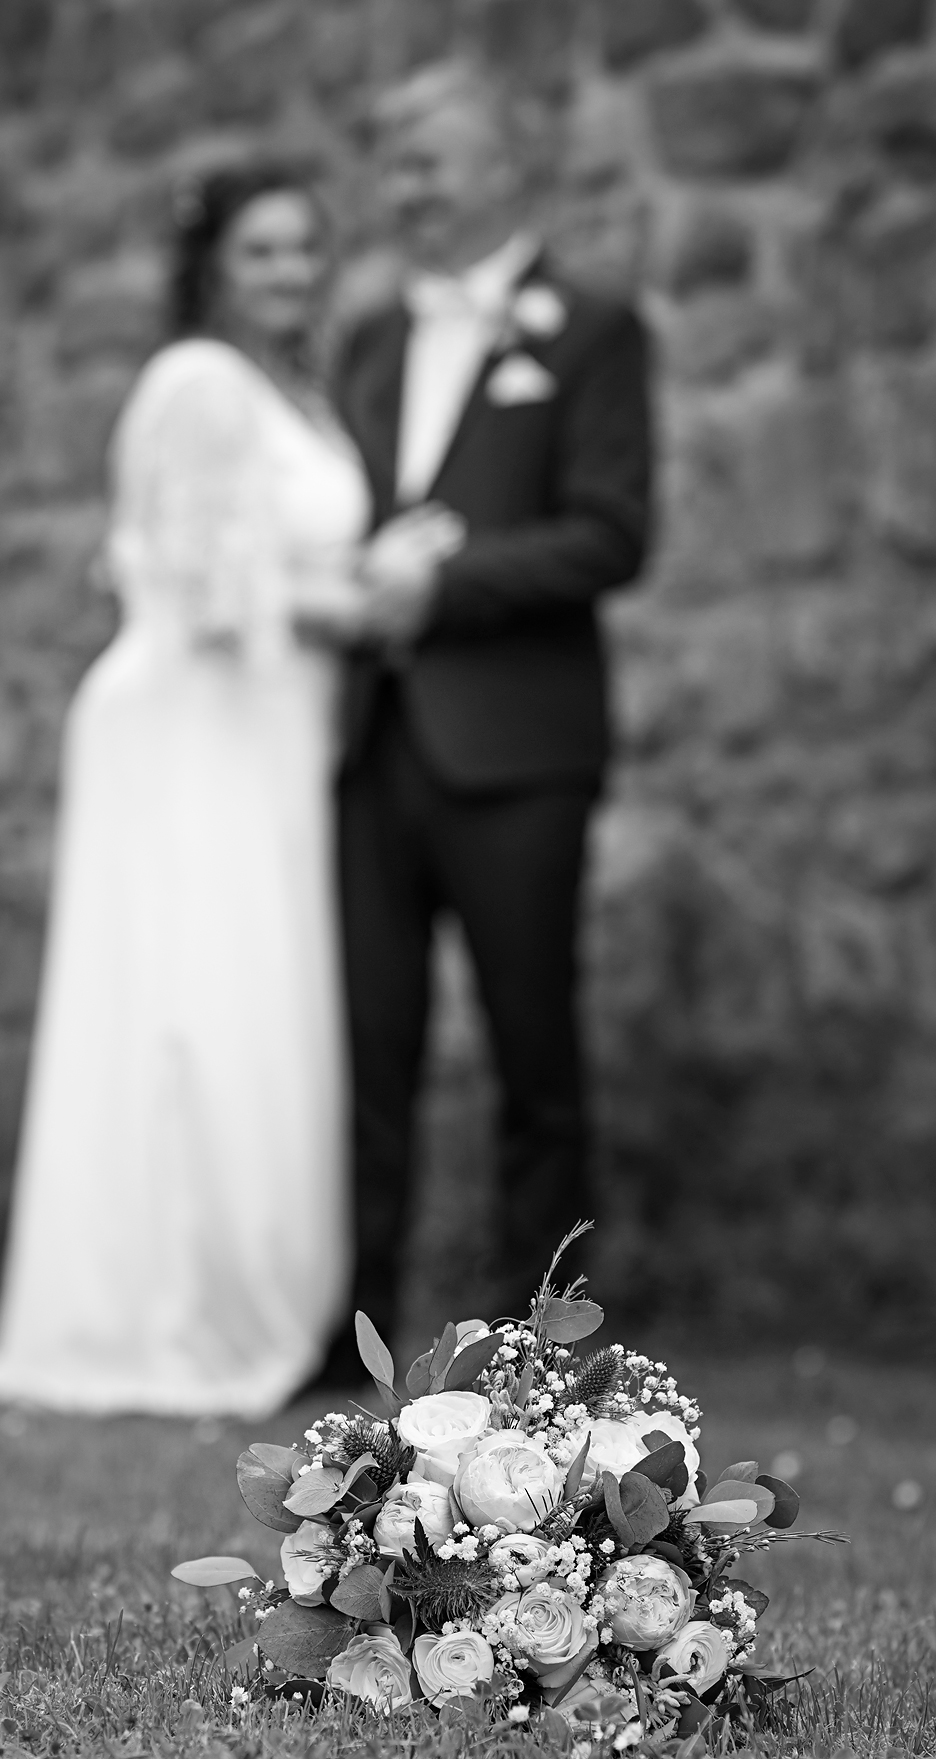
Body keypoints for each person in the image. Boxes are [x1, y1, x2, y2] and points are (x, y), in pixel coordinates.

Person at [0, 164, 374, 1417]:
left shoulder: (298, 394)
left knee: (250, 998)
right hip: (195, 729)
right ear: (212, 266)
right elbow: (211, 590)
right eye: (262, 250)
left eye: (305, 248)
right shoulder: (198, 385)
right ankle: (176, 1304)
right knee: (194, 1001)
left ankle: (255, 1290)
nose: (291, 272)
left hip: (271, 733)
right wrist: (373, 594)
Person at [320, 62, 653, 1381]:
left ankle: (542, 1358)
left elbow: (612, 534)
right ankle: (347, 1340)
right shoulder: (367, 341)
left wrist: (445, 583)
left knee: (533, 1058)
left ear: (504, 165)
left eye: (428, 161)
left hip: (518, 753)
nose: (404, 187)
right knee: (366, 1057)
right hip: (370, 745)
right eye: (392, 163)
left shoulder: (591, 328)